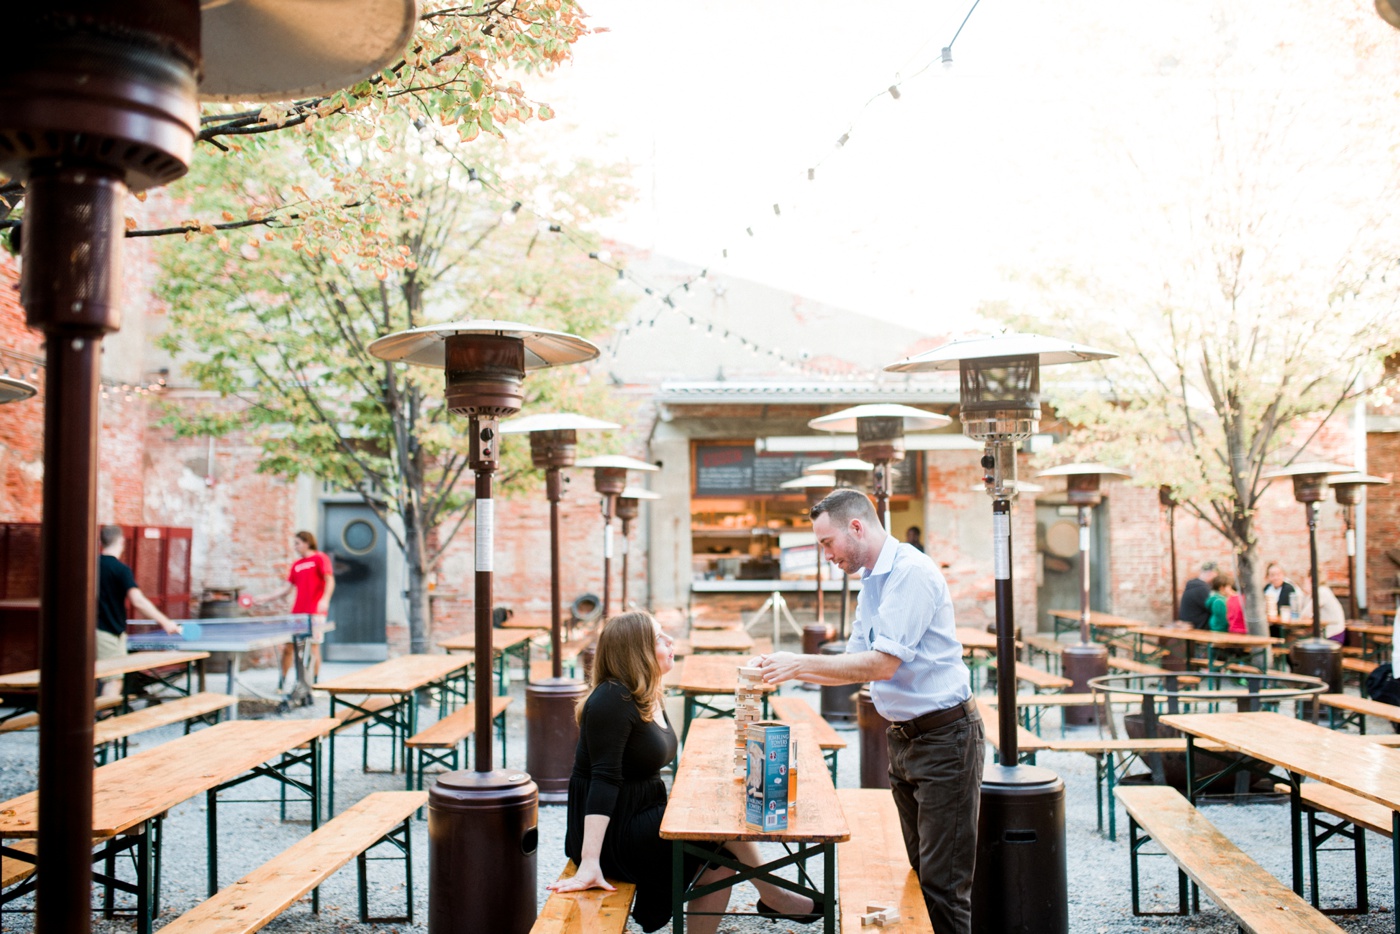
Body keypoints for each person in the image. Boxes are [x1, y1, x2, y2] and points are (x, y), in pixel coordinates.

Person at [753, 489, 983, 934]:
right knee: (918, 874)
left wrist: (798, 663)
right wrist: (784, 670)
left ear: (856, 527)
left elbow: (881, 663)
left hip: (945, 739)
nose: (826, 556)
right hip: (906, 737)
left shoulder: (911, 573)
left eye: (826, 543)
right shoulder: (872, 580)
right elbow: (854, 663)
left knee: (944, 885)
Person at [549, 611, 819, 933]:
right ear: (637, 652)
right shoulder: (612, 699)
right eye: (659, 638)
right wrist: (590, 861)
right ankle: (774, 895)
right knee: (718, 830)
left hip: (640, 811)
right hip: (614, 831)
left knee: (719, 844)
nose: (670, 642)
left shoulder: (647, 692)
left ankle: (772, 894)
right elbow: (604, 781)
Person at [98, 525, 181, 693]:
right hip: (107, 632)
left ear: (101, 542)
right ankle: (108, 718)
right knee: (113, 680)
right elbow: (138, 601)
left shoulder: (90, 565)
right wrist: (166, 623)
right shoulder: (121, 570)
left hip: (102, 631)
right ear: (121, 541)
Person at [248, 531, 334, 685]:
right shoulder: (296, 565)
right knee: (289, 647)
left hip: (315, 613)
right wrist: (264, 597)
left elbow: (330, 580)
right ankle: (282, 681)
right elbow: (286, 589)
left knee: (313, 648)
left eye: (297, 543)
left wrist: (325, 600)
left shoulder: (320, 558)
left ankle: (314, 683)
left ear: (307, 542)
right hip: (297, 614)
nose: (295, 547)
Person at [1179, 561, 1218, 628]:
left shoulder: (1193, 585)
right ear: (1210, 573)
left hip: (1190, 624)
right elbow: (1216, 608)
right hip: (1197, 627)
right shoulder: (1202, 588)